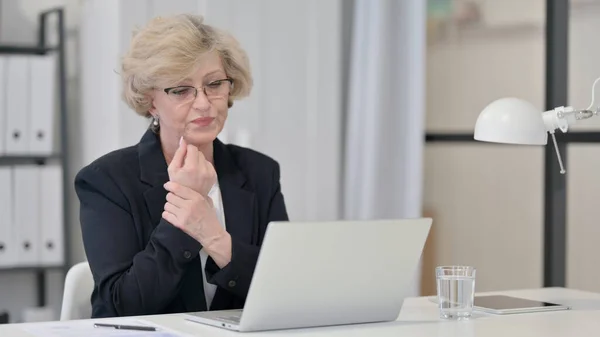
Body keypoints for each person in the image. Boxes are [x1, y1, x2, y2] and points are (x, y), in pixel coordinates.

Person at [74, 14, 289, 318]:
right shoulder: (106, 181)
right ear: (151, 101)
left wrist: (216, 238)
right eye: (181, 89)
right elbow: (119, 307)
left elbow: (285, 290)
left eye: (214, 84)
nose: (203, 103)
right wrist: (184, 211)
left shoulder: (260, 172)